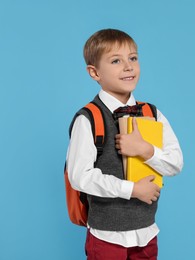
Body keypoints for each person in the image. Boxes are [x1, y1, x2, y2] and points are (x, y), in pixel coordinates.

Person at [66, 28, 183, 260]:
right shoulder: (88, 119)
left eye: (133, 58)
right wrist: (132, 190)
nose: (128, 66)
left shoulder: (152, 113)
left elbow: (176, 164)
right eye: (116, 61)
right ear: (94, 72)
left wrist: (146, 151)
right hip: (107, 237)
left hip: (147, 233)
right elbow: (79, 176)